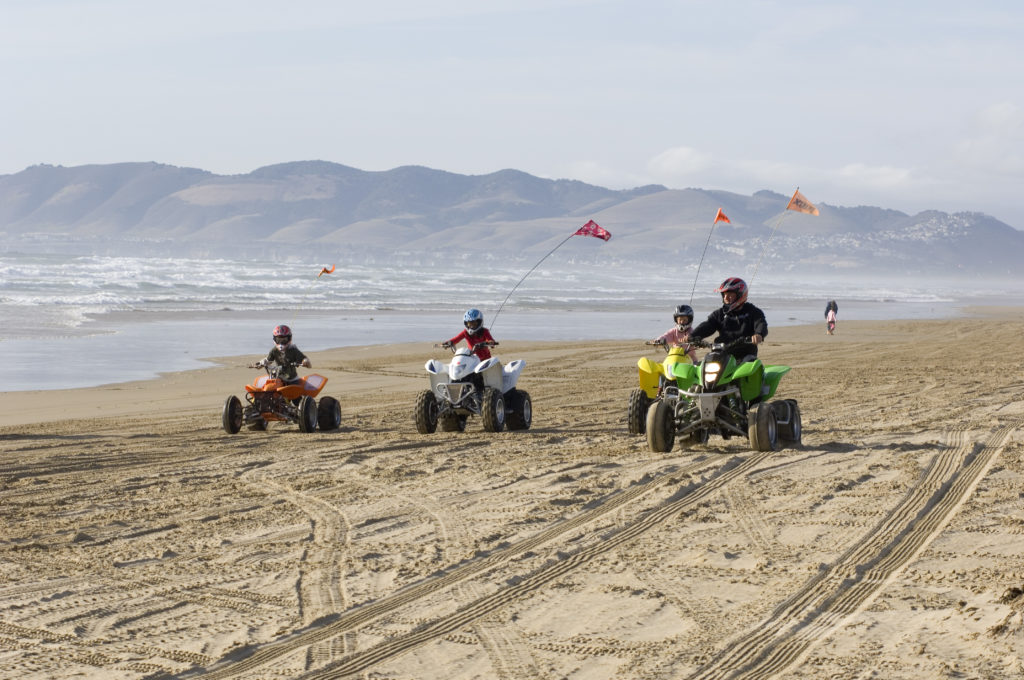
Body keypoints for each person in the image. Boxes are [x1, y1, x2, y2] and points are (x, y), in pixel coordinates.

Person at [689, 277, 768, 362]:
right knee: (701, 367)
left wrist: (759, 334)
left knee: (750, 367)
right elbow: (708, 325)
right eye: (724, 295)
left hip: (745, 354)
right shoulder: (719, 314)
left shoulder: (753, 312)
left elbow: (760, 323)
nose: (726, 298)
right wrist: (692, 336)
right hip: (722, 353)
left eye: (730, 295)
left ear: (740, 295)